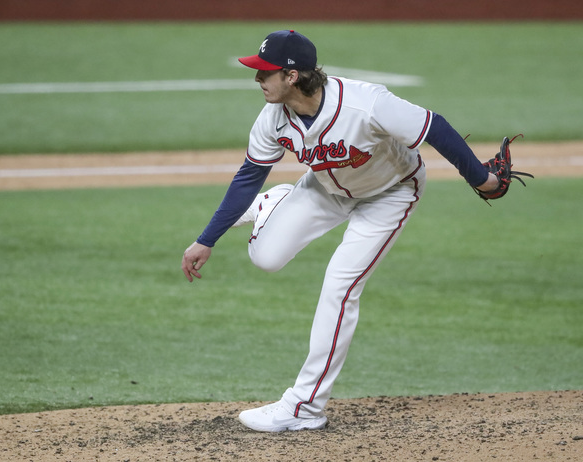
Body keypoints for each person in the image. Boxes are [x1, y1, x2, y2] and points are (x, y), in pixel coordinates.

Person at [181, 30, 499, 432]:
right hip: (326, 189)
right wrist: (206, 240)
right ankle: (271, 204)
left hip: (390, 194)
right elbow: (248, 177)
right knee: (265, 258)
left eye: (266, 72)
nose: (257, 78)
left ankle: (304, 407)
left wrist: (483, 179)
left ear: (292, 76)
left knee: (340, 287)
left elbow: (434, 127)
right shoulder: (272, 119)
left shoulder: (366, 103)